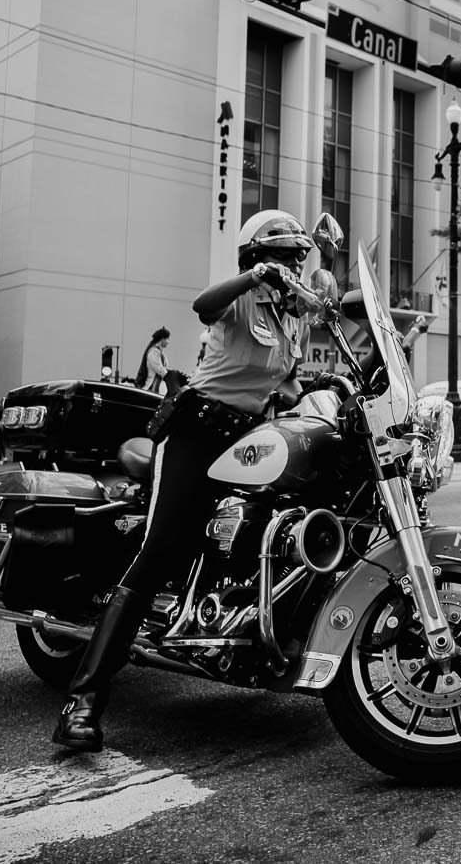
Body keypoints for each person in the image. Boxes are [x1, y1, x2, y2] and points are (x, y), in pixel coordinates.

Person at [52, 209, 318, 753]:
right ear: (258, 258)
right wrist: (255, 277)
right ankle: (81, 703)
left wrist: (327, 384)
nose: (296, 265)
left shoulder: (293, 320)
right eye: (287, 256)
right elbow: (202, 304)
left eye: (298, 257)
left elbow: (283, 386)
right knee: (162, 551)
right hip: (196, 430)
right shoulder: (241, 299)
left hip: (246, 436)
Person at [135, 328, 171, 395]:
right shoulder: (153, 352)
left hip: (157, 387)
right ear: (162, 339)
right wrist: (172, 376)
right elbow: (159, 369)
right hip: (151, 387)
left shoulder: (160, 352)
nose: (168, 342)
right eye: (167, 339)